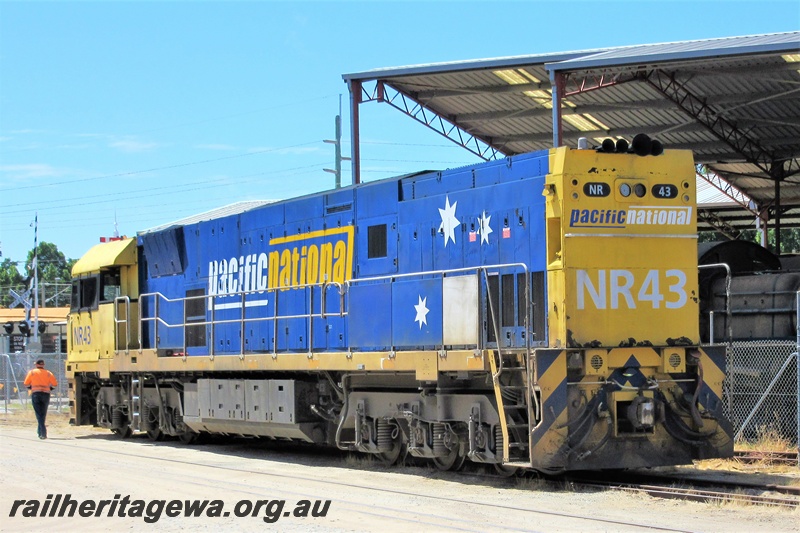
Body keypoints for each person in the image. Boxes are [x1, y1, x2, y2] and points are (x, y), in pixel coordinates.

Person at [23, 359, 58, 439]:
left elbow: (26, 383)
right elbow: (55, 384)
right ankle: (40, 432)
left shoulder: (32, 372)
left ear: (36, 365)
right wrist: (49, 389)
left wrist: (31, 388)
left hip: (36, 394)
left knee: (38, 414)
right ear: (43, 365)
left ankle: (43, 433)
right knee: (43, 413)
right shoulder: (48, 373)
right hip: (46, 394)